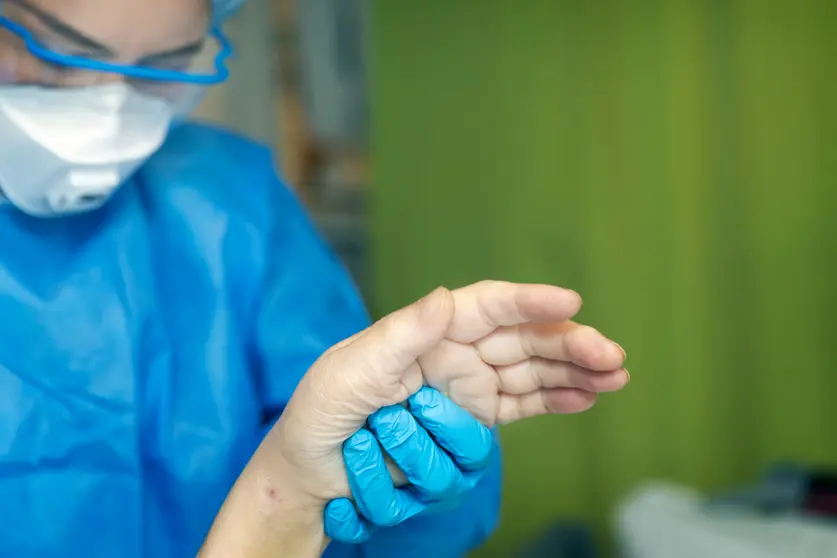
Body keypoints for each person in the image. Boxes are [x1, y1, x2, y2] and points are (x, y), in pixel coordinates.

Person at [0, 0, 629, 556]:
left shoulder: (227, 202)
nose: (108, 110)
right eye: (53, 53)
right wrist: (282, 498)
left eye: (160, 68)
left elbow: (365, 508)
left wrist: (403, 423)